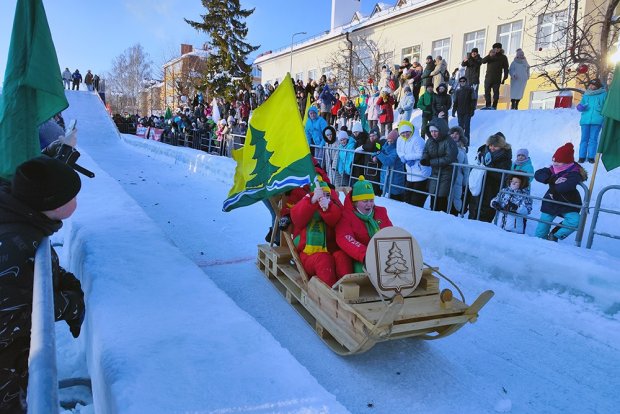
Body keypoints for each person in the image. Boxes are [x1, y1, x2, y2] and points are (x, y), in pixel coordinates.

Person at [0, 156, 85, 413]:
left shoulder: (23, 220)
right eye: (71, 197)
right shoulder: (15, 243)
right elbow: (10, 317)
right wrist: (66, 305)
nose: (77, 201)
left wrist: (63, 282)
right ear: (51, 204)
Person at [290, 178, 352, 286]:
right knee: (323, 259)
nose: (324, 198)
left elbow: (335, 218)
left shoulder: (333, 207)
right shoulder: (307, 208)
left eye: (327, 195)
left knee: (342, 256)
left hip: (330, 250)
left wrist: (329, 207)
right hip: (309, 254)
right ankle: (330, 293)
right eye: (321, 195)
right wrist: (312, 200)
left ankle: (346, 288)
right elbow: (297, 218)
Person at [336, 176, 393, 273]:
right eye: (365, 201)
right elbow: (345, 239)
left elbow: (390, 233)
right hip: (360, 256)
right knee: (363, 271)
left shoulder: (380, 212)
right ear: (355, 203)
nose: (369, 205)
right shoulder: (346, 216)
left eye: (371, 200)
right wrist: (367, 255)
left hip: (382, 253)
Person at [534, 143, 587, 241]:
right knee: (541, 229)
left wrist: (554, 183)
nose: (555, 163)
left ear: (567, 162)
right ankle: (539, 243)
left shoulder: (574, 173)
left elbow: (563, 187)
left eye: (558, 161)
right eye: (554, 160)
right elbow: (537, 174)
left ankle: (555, 235)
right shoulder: (552, 169)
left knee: (575, 221)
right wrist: (552, 179)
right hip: (551, 202)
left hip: (567, 203)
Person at [468, 132, 513, 222]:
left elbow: (502, 176)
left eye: (495, 146)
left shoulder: (505, 158)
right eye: (491, 145)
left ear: (501, 146)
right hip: (480, 186)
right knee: (474, 207)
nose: (492, 148)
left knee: (485, 212)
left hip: (492, 189)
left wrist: (487, 169)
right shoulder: (484, 153)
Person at [420, 121, 458, 212]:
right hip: (435, 172)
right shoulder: (430, 141)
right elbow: (426, 151)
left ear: (441, 130)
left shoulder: (449, 141)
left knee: (441, 196)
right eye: (432, 131)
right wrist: (425, 159)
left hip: (446, 172)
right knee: (433, 194)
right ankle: (433, 214)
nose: (433, 133)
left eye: (435, 131)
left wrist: (432, 162)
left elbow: (450, 157)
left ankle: (441, 215)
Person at [396, 120, 430, 207]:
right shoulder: (400, 139)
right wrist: (403, 157)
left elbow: (420, 154)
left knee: (416, 199)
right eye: (403, 132)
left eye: (407, 131)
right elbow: (399, 150)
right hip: (409, 172)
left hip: (420, 172)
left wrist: (407, 158)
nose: (405, 134)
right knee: (407, 197)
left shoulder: (417, 139)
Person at [576, 79, 607, 163]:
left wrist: (604, 118)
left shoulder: (603, 94)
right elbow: (581, 105)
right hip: (585, 120)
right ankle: (581, 157)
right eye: (590, 85)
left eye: (593, 85)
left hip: (597, 120)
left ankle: (591, 157)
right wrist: (580, 107)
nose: (591, 86)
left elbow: (605, 107)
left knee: (593, 139)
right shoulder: (586, 95)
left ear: (597, 86)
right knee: (584, 139)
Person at [374, 128, 405, 201]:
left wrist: (379, 154)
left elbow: (388, 161)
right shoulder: (386, 146)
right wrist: (375, 155)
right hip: (387, 177)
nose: (389, 143)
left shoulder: (396, 150)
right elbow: (379, 151)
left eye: (391, 141)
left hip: (395, 178)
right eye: (388, 141)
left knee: (395, 200)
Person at [448, 126, 469, 215]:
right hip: (446, 176)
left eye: (457, 133)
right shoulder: (445, 145)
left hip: (458, 178)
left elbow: (466, 167)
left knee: (456, 199)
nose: (454, 135)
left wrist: (465, 182)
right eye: (452, 133)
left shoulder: (462, 150)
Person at [481, 43, 509, 109]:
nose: (496, 49)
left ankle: (494, 105)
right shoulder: (490, 56)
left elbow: (506, 67)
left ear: (500, 49)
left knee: (496, 92)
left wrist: (505, 76)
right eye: (495, 48)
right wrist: (489, 56)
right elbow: (483, 61)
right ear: (493, 49)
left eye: (498, 48)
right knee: (487, 91)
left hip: (497, 78)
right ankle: (488, 105)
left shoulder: (503, 57)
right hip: (488, 77)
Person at [452, 77, 477, 145]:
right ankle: (461, 142)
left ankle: (466, 142)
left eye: (463, 81)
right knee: (460, 128)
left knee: (467, 127)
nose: (462, 82)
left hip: (467, 111)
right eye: (461, 81)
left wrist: (472, 110)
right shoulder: (458, 91)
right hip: (460, 112)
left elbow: (473, 100)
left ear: (466, 82)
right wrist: (453, 111)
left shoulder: (470, 90)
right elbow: (455, 102)